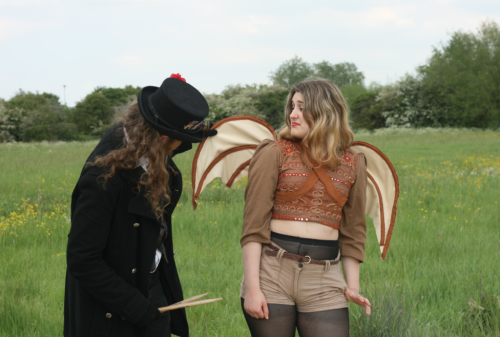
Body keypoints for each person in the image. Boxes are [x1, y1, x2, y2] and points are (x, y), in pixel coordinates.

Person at [64, 74, 216, 337]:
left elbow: (176, 144)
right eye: (179, 138)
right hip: (114, 300)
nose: (182, 146)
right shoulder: (102, 179)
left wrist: (203, 131)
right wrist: (138, 309)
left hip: (150, 282)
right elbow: (83, 260)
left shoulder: (142, 142)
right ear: (164, 139)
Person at [240, 79, 371, 337]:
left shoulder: (354, 162)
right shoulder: (273, 152)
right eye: (292, 106)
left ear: (325, 112)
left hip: (325, 279)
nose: (292, 114)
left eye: (301, 107)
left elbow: (354, 232)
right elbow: (253, 227)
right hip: (272, 273)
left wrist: (352, 288)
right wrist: (253, 290)